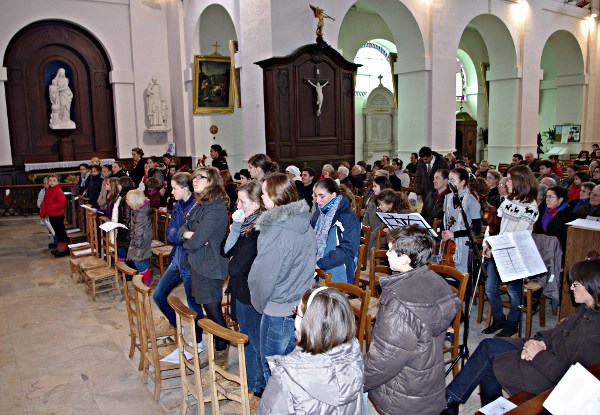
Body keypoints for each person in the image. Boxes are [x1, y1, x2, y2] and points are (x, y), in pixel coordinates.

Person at [441, 259, 600, 414]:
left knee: (491, 363)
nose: (571, 288)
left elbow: (572, 381)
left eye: (576, 284)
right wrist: (541, 342)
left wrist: (538, 354)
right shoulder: (586, 309)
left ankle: (452, 402)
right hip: (545, 353)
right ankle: (452, 400)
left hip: (547, 375)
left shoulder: (594, 332)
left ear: (592, 286)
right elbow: (557, 332)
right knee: (487, 346)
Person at [364, 225, 460, 415]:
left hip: (402, 393)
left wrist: (358, 382)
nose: (387, 254)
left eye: (391, 250)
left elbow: (385, 359)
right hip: (428, 383)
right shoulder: (437, 280)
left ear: (406, 258)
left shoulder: (398, 300)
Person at [248, 173, 317, 384]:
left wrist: (261, 305)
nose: (261, 197)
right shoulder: (304, 223)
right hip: (300, 307)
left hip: (278, 310)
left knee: (273, 372)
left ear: (275, 197)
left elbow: (262, 278)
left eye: (264, 193)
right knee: (293, 370)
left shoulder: (274, 232)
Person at [258, 286, 366, 414]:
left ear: (307, 323)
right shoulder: (355, 355)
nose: (295, 316)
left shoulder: (286, 377)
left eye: (297, 312)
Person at [180, 167, 230, 365]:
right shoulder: (201, 204)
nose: (195, 180)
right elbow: (183, 229)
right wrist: (189, 235)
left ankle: (222, 349)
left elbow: (195, 241)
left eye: (200, 177)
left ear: (212, 181)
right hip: (199, 262)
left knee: (213, 308)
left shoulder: (216, 208)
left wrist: (191, 237)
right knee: (208, 307)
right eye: (194, 177)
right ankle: (219, 345)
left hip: (210, 265)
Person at [221, 180, 266, 397]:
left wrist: (232, 262)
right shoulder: (246, 224)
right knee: (248, 337)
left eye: (242, 202)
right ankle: (255, 382)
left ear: (256, 204)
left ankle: (256, 386)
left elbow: (236, 266)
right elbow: (225, 250)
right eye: (237, 201)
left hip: (251, 292)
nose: (237, 206)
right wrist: (236, 225)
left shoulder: (258, 229)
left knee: (252, 340)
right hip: (241, 288)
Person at [483, 165, 539, 337]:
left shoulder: (530, 207)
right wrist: (486, 243)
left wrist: (495, 248)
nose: (506, 182)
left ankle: (513, 323)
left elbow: (516, 233)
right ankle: (499, 318)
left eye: (509, 179)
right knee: (490, 288)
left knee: (514, 292)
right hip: (496, 249)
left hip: (514, 254)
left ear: (519, 181)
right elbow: (494, 224)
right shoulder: (508, 200)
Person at [153, 172, 205, 348]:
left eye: (174, 188)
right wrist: (181, 235)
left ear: (185, 188)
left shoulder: (197, 206)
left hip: (190, 261)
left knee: (193, 305)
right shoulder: (178, 205)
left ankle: (198, 342)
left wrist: (180, 234)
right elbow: (171, 234)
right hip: (177, 258)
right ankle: (177, 327)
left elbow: (193, 236)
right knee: (158, 295)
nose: (171, 192)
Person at [311, 179, 361, 284]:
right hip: (319, 264)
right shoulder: (319, 212)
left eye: (322, 196)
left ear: (333, 195)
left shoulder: (348, 217)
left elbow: (347, 250)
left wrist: (320, 264)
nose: (318, 200)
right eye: (316, 196)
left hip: (339, 269)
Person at [441, 168, 482, 274]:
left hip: (463, 241)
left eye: (453, 180)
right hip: (448, 241)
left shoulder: (471, 201)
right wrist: (443, 232)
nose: (450, 183)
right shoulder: (447, 198)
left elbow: (477, 229)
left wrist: (455, 234)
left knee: (460, 273)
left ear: (463, 182)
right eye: (449, 180)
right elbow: (444, 220)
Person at [534, 186, 576, 255]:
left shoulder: (569, 216)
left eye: (550, 197)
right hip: (539, 248)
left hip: (556, 252)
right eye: (546, 196)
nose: (547, 199)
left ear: (560, 199)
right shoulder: (542, 210)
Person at [125, 189, 153, 286]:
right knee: (142, 258)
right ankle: (145, 276)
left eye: (128, 200)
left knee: (139, 260)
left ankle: (147, 280)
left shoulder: (141, 213)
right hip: (141, 238)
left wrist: (137, 243)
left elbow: (139, 231)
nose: (126, 201)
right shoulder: (138, 209)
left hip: (141, 239)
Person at [40, 175, 69, 257]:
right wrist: (42, 214)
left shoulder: (59, 191)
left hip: (58, 215)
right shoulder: (48, 191)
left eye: (54, 180)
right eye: (50, 180)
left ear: (58, 182)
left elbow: (62, 203)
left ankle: (64, 247)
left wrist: (51, 208)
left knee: (60, 230)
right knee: (56, 230)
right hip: (51, 215)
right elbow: (44, 203)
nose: (51, 182)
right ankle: (59, 245)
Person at [362, 176, 393, 250]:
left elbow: (383, 225)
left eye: (375, 186)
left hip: (381, 237)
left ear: (382, 186)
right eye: (373, 186)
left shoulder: (388, 203)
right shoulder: (373, 201)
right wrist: (366, 231)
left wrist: (371, 236)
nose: (373, 188)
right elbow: (366, 217)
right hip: (370, 232)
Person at [116, 176, 134, 261]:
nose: (117, 186)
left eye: (119, 184)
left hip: (126, 231)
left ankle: (123, 266)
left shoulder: (127, 198)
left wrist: (122, 234)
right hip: (126, 230)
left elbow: (126, 218)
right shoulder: (125, 196)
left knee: (122, 250)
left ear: (124, 185)